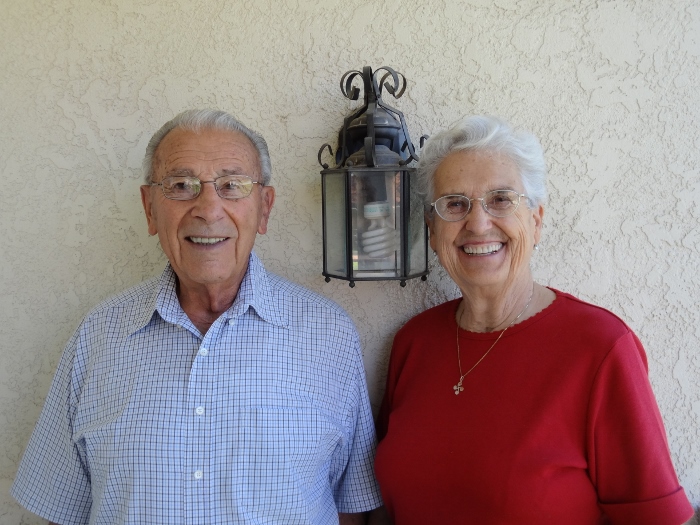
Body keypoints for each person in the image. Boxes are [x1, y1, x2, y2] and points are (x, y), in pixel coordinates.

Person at [12, 109, 382, 525]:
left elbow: (353, 507)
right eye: (180, 185)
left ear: (264, 208)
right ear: (150, 208)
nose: (208, 208)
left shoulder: (327, 333)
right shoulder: (97, 336)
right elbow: (60, 511)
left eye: (232, 185)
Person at [370, 116, 694, 524]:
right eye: (454, 204)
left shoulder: (599, 348)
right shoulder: (414, 342)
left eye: (501, 199)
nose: (478, 223)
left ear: (536, 221)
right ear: (432, 231)